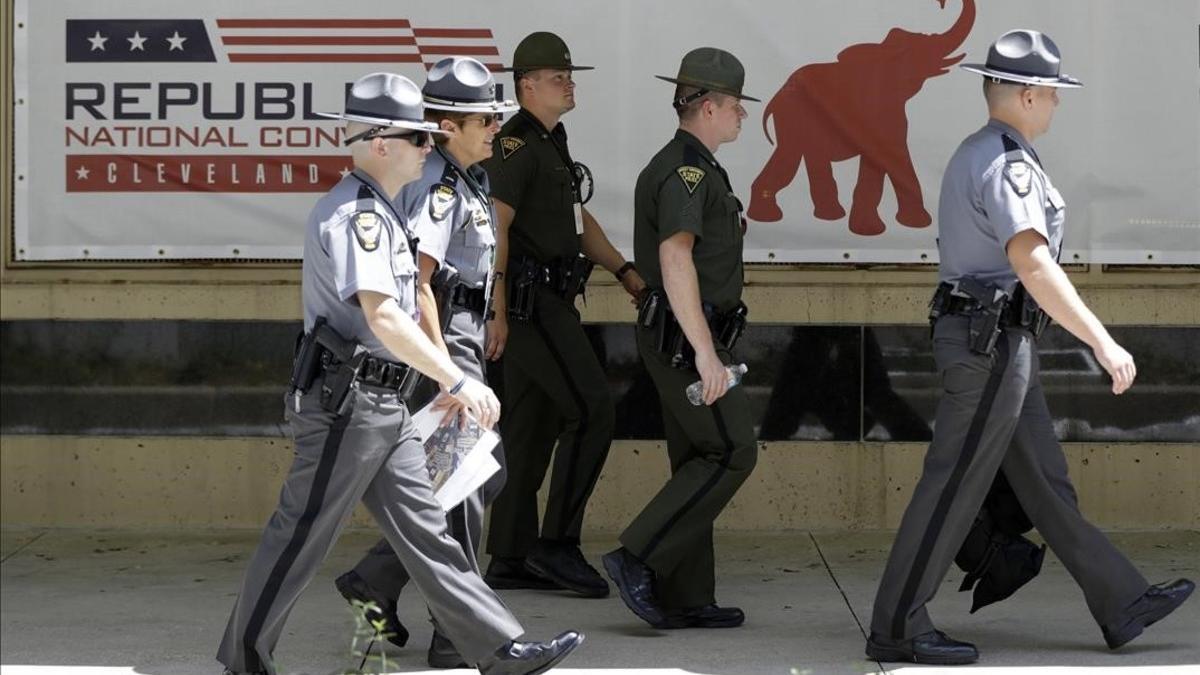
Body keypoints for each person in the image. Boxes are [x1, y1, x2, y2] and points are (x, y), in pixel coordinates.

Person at [216, 71, 582, 675]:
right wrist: (456, 379)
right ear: (381, 142)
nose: (427, 145)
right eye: (417, 137)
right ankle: (245, 658)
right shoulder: (357, 214)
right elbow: (384, 314)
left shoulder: (381, 209)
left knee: (431, 532)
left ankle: (495, 648)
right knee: (301, 536)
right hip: (346, 407)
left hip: (384, 407)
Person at [865, 30, 1194, 665]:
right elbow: (1032, 260)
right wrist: (1101, 340)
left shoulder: (992, 151)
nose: (1056, 105)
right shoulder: (1006, 163)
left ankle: (1121, 600)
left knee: (1045, 480)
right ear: (1026, 94)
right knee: (953, 484)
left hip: (1000, 341)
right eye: (1051, 93)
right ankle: (897, 625)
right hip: (988, 343)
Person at [332, 57, 524, 670]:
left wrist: (488, 313)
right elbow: (419, 283)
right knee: (464, 485)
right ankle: (454, 633)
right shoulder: (439, 182)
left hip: (463, 330)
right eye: (483, 119)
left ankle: (376, 582)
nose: (495, 126)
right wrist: (449, 369)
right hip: (443, 340)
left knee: (471, 478)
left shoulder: (468, 177)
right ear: (446, 125)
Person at [481, 31, 645, 597]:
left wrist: (625, 271)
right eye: (559, 77)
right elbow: (496, 230)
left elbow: (579, 222)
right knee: (593, 410)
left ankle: (510, 555)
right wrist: (495, 311)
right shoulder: (516, 146)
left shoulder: (554, 141)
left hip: (551, 299)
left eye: (570, 76)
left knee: (531, 428)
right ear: (527, 85)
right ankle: (557, 546)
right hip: (529, 307)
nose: (569, 84)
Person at [602, 47, 758, 630]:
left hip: (684, 335)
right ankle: (636, 556)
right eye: (737, 106)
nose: (742, 117)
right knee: (732, 450)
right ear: (711, 106)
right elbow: (675, 257)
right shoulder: (686, 170)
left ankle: (685, 594)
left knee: (697, 454)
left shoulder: (696, 165)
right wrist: (705, 351)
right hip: (684, 340)